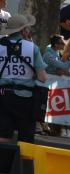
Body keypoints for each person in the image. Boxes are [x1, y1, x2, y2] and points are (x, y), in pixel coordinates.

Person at [0, 14, 47, 144]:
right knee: (25, 140)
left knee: (3, 136)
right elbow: (42, 77)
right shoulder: (32, 48)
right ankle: (23, 164)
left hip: (3, 96)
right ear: (23, 31)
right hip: (25, 99)